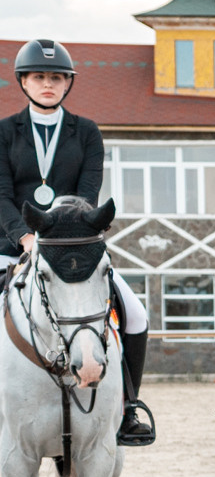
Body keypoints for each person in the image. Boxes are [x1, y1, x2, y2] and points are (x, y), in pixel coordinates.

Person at [0, 39, 154, 444]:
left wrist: (56, 240)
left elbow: (88, 194)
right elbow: (0, 193)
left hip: (73, 249)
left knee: (135, 314)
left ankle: (127, 409)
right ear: (24, 82)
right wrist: (25, 237)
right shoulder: (4, 132)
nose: (47, 84)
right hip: (11, 245)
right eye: (39, 77)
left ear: (67, 83)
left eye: (56, 77)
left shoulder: (85, 132)